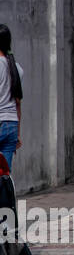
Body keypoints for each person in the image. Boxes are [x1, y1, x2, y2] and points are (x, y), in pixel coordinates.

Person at [0, 25, 22, 168]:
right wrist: (18, 135)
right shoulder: (17, 68)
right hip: (12, 125)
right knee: (4, 175)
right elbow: (18, 103)